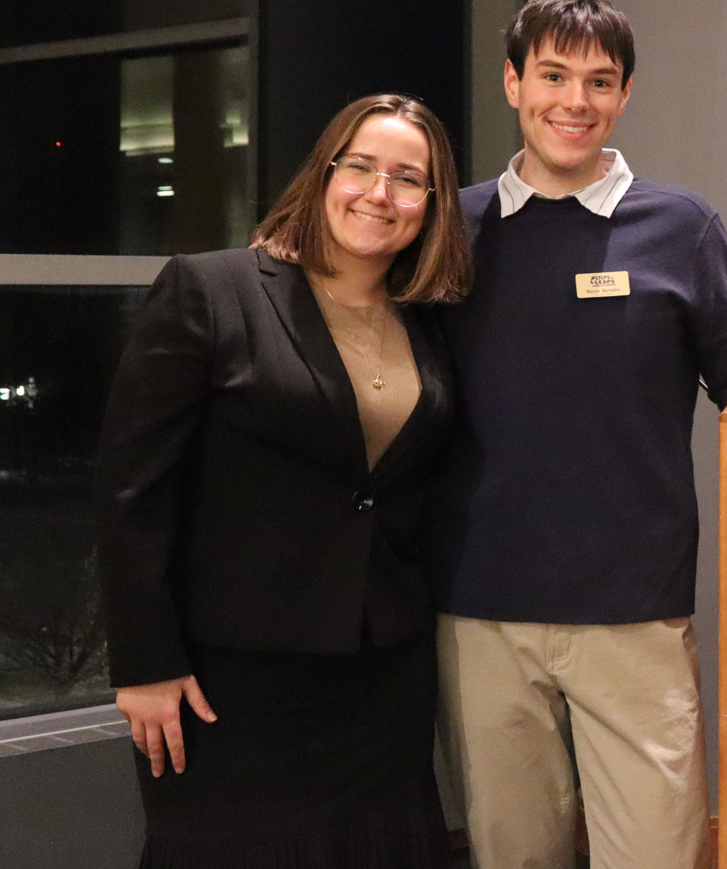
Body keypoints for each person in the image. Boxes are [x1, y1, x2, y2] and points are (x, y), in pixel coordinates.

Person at [430, 0, 727, 869]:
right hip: (479, 605)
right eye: (553, 76)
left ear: (625, 94)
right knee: (510, 854)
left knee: (657, 854)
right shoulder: (455, 228)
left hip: (634, 609)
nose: (575, 101)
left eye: (599, 81)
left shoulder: (681, 227)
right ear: (512, 83)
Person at [99, 94, 471, 867]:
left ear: (431, 206)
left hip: (381, 676)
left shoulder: (425, 322)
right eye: (361, 167)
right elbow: (134, 492)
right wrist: (143, 662)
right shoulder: (213, 290)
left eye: (408, 179)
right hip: (230, 680)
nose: (380, 193)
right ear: (324, 172)